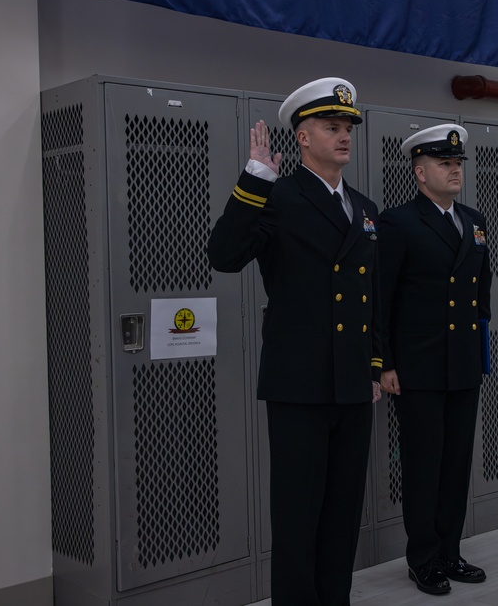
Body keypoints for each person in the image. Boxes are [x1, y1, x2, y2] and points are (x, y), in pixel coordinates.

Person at [207, 77, 382, 606]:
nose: (344, 135)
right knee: (298, 516)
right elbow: (224, 254)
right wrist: (255, 178)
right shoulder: (276, 196)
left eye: (348, 127)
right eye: (331, 127)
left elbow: (371, 297)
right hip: (299, 382)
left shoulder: (364, 207)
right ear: (302, 138)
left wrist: (374, 365)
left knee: (342, 514)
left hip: (352, 383)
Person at [378, 124, 492, 596]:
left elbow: (481, 295)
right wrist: (383, 364)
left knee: (456, 463)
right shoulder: (399, 223)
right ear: (420, 172)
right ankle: (422, 557)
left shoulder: (474, 220)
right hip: (418, 368)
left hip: (462, 363)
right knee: (424, 465)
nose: (454, 170)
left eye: (458, 163)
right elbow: (379, 299)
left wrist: (481, 354)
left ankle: (450, 550)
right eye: (445, 164)